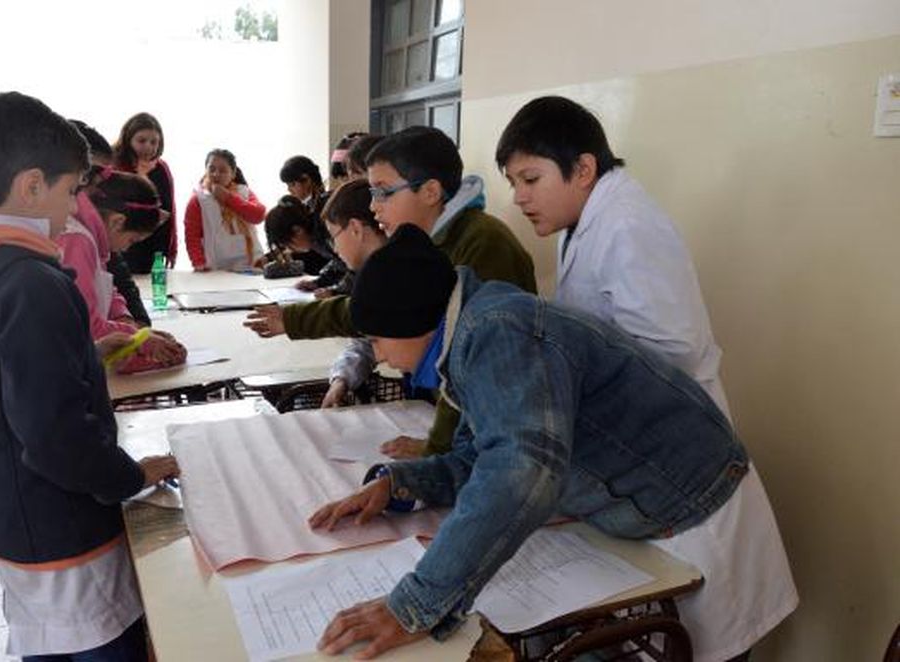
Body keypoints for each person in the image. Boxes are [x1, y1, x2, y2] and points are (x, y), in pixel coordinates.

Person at [309, 225, 797, 662]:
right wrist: (399, 485)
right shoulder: (471, 334)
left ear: (413, 323)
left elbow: (520, 471)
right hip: (643, 516)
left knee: (702, 650)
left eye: (377, 339)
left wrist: (414, 604)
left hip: (699, 518)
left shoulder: (499, 332)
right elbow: (483, 454)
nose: (380, 355)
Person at [0, 91, 180, 660]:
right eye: (73, 189)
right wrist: (127, 476)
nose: (78, 206)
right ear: (31, 186)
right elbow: (56, 435)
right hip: (64, 529)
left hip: (14, 516)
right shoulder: (31, 285)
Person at [245, 127, 537, 459]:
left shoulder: (483, 244)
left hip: (500, 438)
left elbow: (475, 365)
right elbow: (378, 308)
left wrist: (436, 449)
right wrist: (296, 320)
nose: (372, 206)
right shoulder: (424, 240)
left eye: (383, 192)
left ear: (429, 192)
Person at [496, 95, 730, 416]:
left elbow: (675, 352)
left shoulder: (629, 226)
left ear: (583, 170)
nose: (519, 198)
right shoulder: (577, 219)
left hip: (671, 430)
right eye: (513, 183)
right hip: (632, 421)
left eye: (531, 179)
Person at [58, 167, 187, 373]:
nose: (127, 248)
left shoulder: (92, 238)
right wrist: (140, 339)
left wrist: (125, 320)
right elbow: (87, 325)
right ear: (118, 221)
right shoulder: (78, 240)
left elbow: (105, 287)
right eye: (132, 240)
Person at [70, 120, 151, 326]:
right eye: (91, 176)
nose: (100, 185)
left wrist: (128, 320)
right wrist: (135, 338)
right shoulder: (75, 237)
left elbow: (109, 280)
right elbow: (87, 327)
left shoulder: (90, 233)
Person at [315, 179, 387, 407]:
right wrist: (341, 379)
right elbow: (365, 341)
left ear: (355, 228)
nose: (335, 249)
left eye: (333, 236)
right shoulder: (367, 274)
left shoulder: (396, 273)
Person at [113, 112, 177, 273]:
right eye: (141, 141)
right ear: (128, 139)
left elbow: (170, 207)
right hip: (122, 244)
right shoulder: (116, 166)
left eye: (154, 142)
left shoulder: (161, 168)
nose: (148, 147)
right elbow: (113, 206)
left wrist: (170, 248)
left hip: (153, 246)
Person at [184, 148, 266, 272]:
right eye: (211, 169)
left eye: (223, 170)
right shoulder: (198, 198)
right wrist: (198, 262)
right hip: (215, 267)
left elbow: (258, 215)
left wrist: (228, 198)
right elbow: (192, 235)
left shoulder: (244, 191)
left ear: (233, 174)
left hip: (250, 264)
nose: (216, 174)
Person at [278, 155, 349, 293]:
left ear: (307, 179)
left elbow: (340, 256)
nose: (289, 190)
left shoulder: (327, 205)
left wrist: (332, 288)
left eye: (292, 184)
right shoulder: (310, 205)